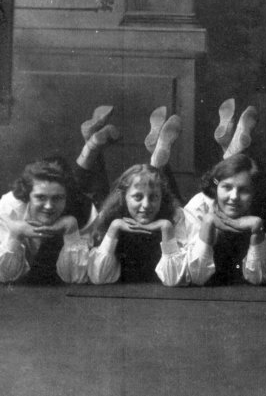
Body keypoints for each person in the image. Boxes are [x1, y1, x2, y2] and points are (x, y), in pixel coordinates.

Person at [0, 105, 119, 284]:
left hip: (85, 208)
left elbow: (76, 276)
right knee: (63, 182)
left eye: (57, 199)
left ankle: (92, 144)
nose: (48, 206)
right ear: (27, 195)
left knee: (99, 197)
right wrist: (16, 233)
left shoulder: (81, 210)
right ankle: (91, 144)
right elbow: (4, 275)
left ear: (67, 197)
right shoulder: (10, 208)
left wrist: (70, 229)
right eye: (40, 198)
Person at [185, 101, 266, 286]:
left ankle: (230, 148)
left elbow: (258, 278)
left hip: (244, 299)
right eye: (227, 188)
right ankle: (233, 148)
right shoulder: (199, 205)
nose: (234, 197)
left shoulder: (262, 209)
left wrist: (257, 228)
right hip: (203, 299)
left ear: (255, 193)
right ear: (216, 187)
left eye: (244, 190)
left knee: (234, 172)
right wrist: (208, 223)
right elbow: (197, 276)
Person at [87, 164, 197, 285]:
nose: (146, 205)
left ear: (162, 198)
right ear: (124, 197)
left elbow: (173, 280)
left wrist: (166, 227)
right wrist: (114, 227)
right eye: (138, 197)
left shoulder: (176, 217)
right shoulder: (109, 217)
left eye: (153, 197)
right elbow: (99, 278)